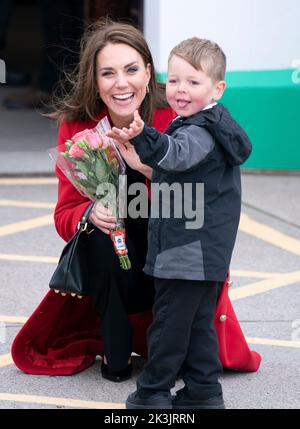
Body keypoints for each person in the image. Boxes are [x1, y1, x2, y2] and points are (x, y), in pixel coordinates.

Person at [11, 21, 261, 384]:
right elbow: (64, 216)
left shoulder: (174, 116)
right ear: (95, 81)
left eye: (131, 70)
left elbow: (202, 203)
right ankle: (116, 351)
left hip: (175, 250)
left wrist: (147, 171)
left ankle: (167, 347)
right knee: (99, 239)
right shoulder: (79, 126)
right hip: (114, 265)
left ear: (147, 73)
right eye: (108, 73)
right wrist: (89, 212)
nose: (121, 83)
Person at [107, 37, 253, 409]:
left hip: (185, 252)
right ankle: (203, 392)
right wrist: (143, 161)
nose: (180, 90)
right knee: (197, 325)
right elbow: (178, 174)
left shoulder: (198, 131)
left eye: (193, 82)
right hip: (203, 253)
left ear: (217, 88)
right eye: (174, 81)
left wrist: (144, 135)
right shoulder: (207, 124)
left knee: (169, 325)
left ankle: (152, 393)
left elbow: (177, 154)